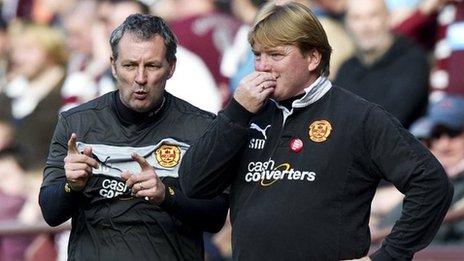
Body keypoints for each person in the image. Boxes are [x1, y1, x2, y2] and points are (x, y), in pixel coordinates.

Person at [179, 2, 453, 260]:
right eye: (258, 55)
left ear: (312, 58)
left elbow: (431, 184)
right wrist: (236, 112)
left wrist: (387, 256)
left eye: (276, 55)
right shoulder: (244, 115)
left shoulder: (357, 116)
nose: (263, 67)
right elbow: (194, 183)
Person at [39, 14, 229, 261]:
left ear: (171, 67)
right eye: (130, 65)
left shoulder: (201, 127)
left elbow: (215, 217)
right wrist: (71, 186)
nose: (140, 78)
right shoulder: (76, 123)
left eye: (152, 66)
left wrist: (165, 195)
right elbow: (50, 213)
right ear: (113, 65)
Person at [335, 0, 429, 129]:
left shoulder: (412, 59)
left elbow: (392, 118)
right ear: (347, 24)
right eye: (357, 18)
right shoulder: (346, 69)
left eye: (373, 16)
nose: (365, 26)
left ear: (388, 18)